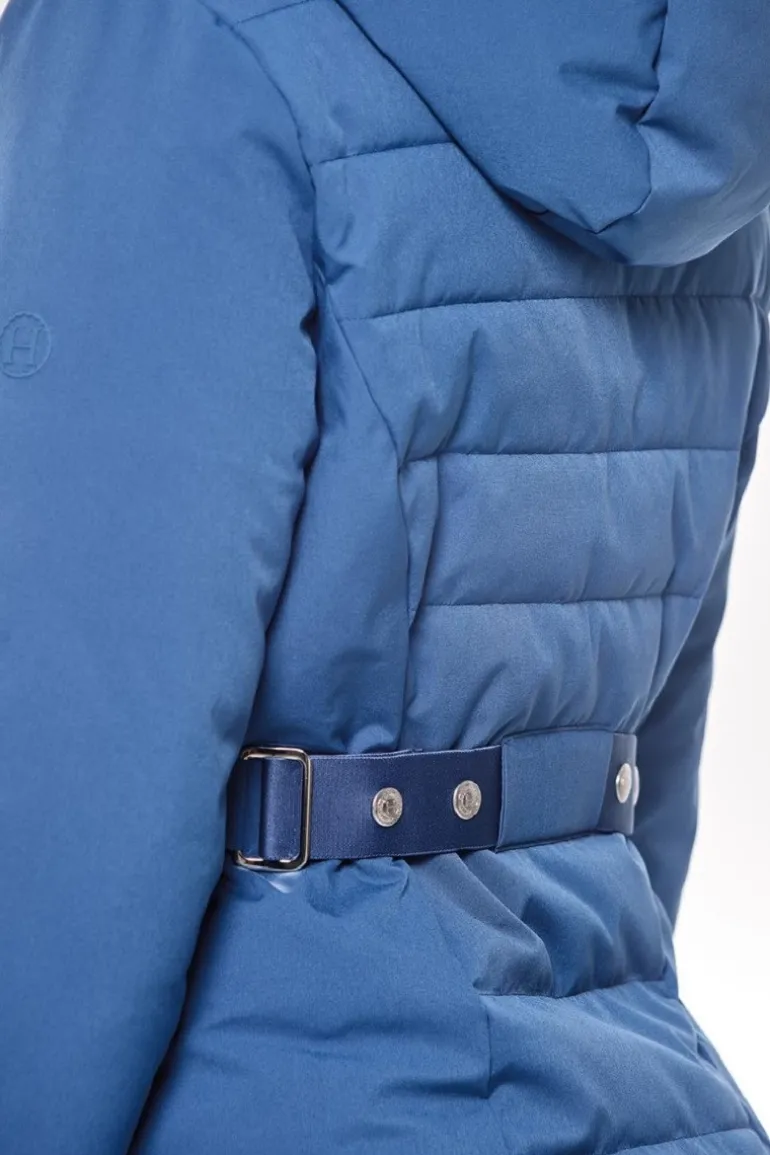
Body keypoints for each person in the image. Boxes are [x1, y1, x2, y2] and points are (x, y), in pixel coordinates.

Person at [1, 0, 769, 1152]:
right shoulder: (719, 106)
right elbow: (651, 731)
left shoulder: (172, 37)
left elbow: (77, 761)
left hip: (282, 1093)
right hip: (645, 1097)